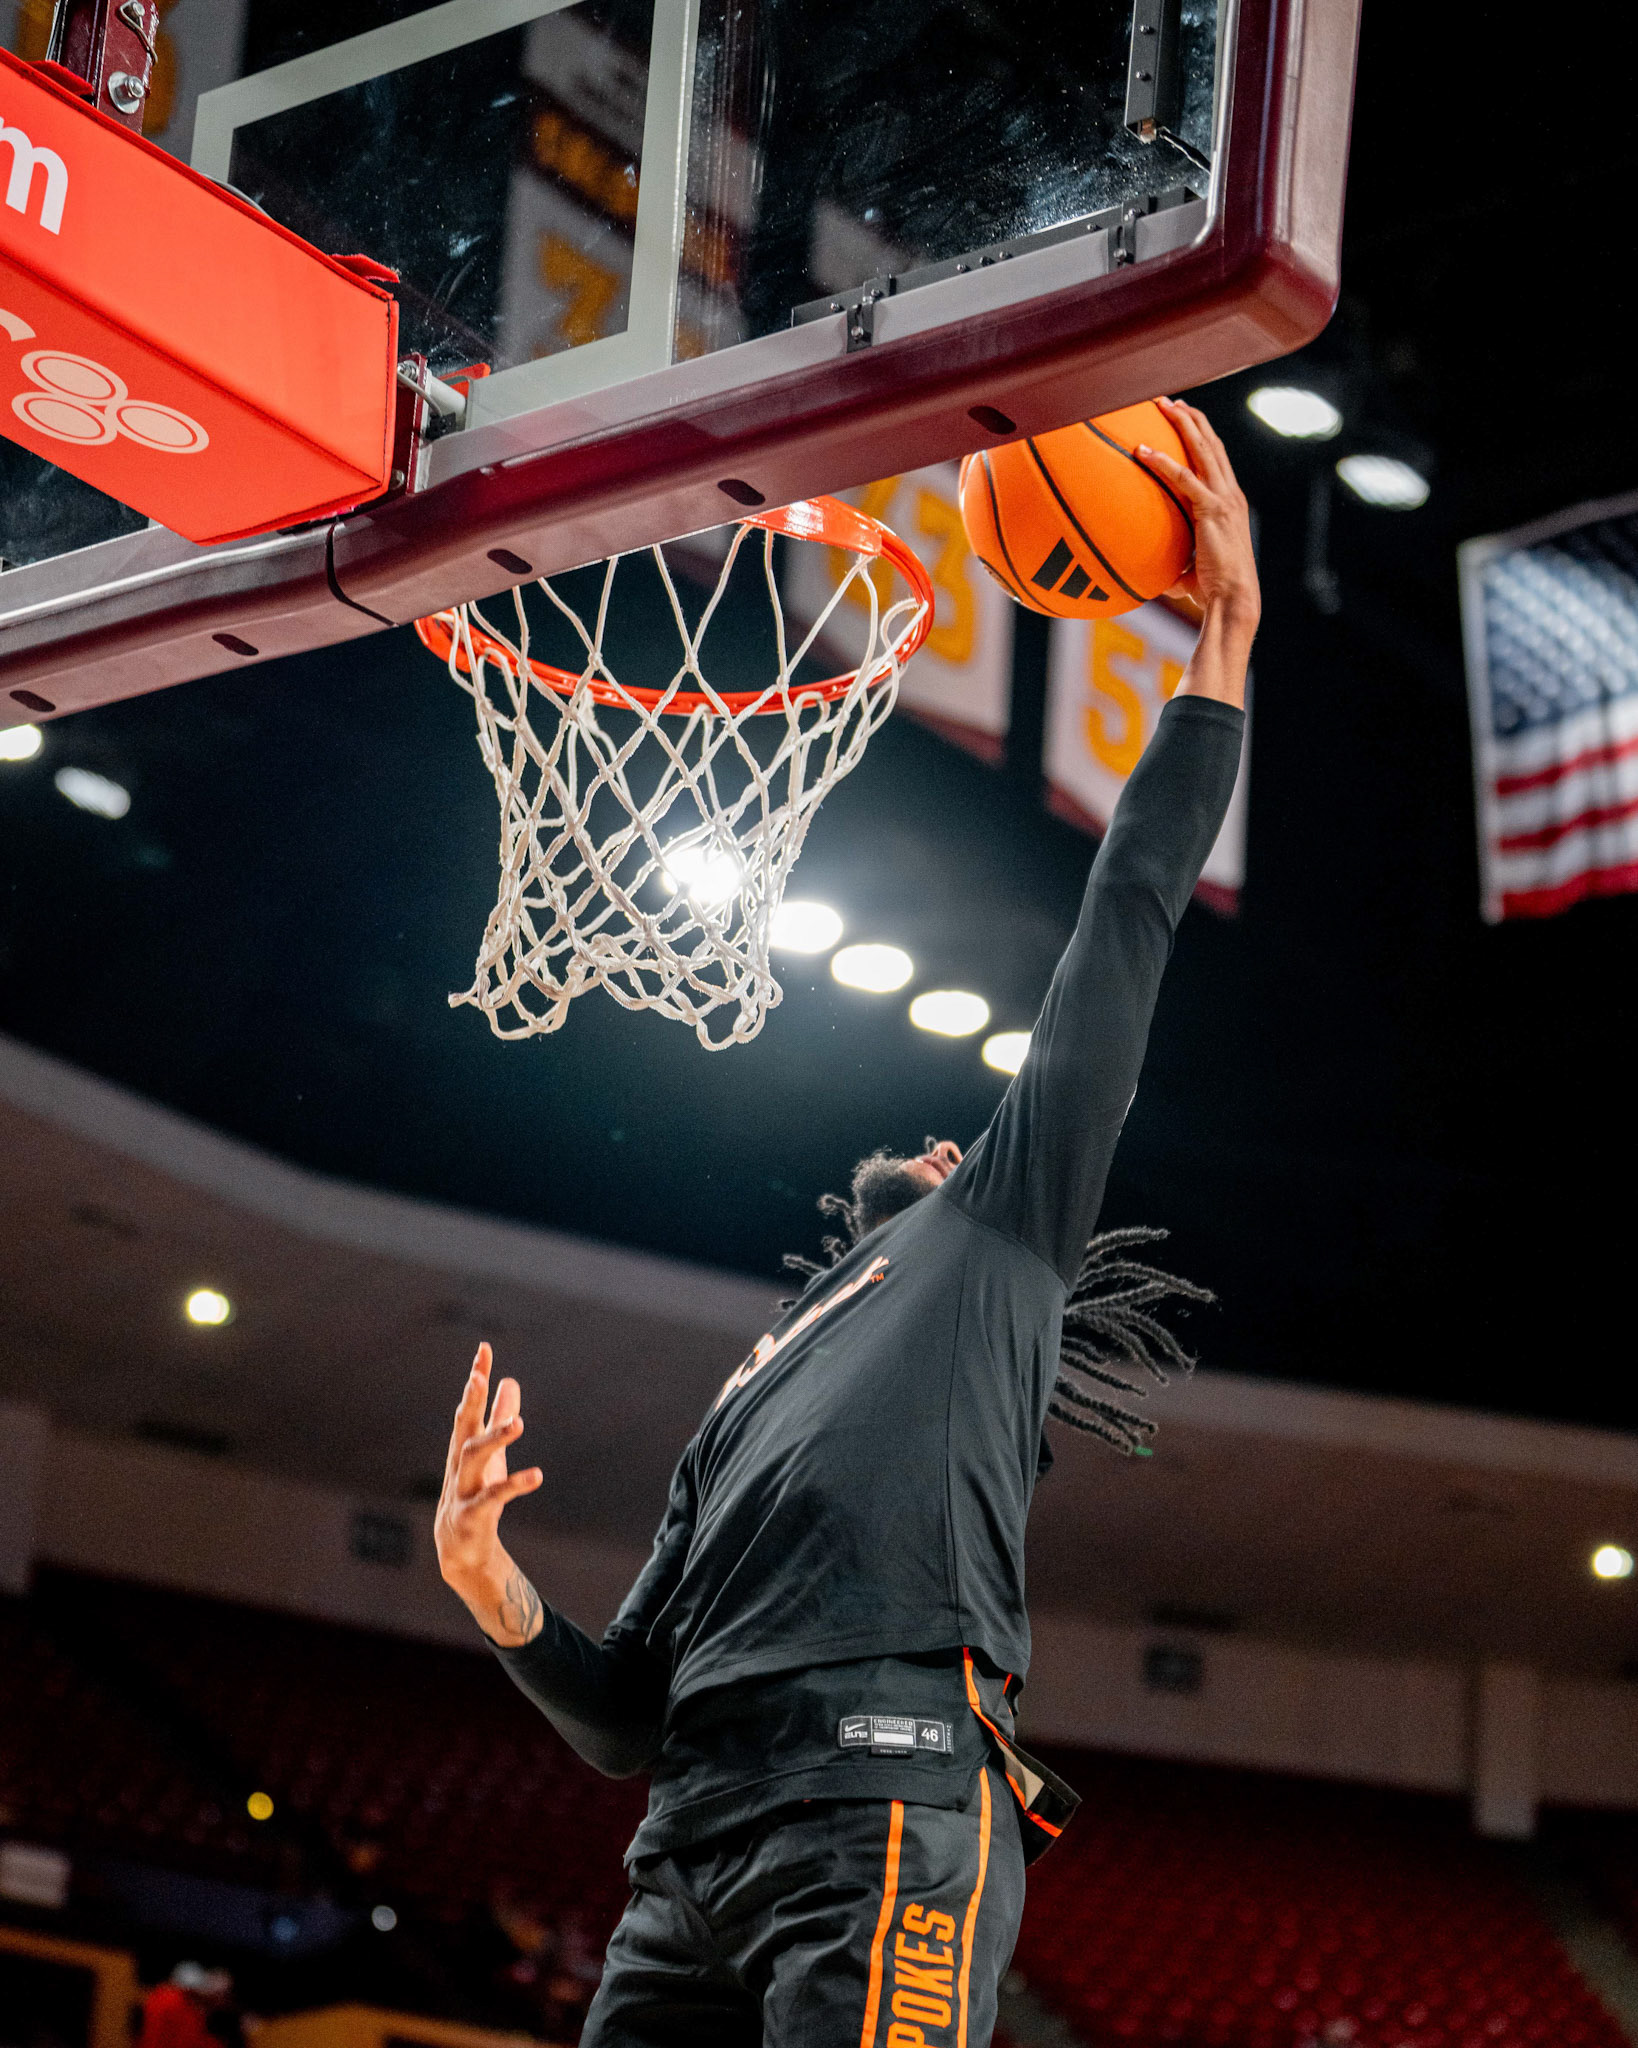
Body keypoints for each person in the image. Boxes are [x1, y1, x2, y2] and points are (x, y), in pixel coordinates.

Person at [434, 398, 1258, 2047]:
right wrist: (487, 1582)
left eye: (967, 1140)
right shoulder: (752, 1386)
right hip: (685, 1847)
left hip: (880, 1793)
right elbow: (621, 1719)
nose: (951, 1136)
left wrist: (1223, 645)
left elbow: (1125, 923)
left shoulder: (996, 1238)